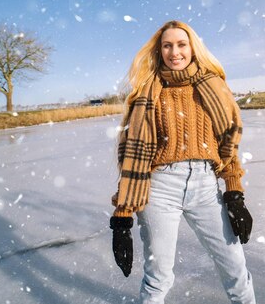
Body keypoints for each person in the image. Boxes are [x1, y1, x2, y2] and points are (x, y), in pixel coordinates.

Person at [110, 20, 256, 304]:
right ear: (159, 50)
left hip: (205, 186)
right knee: (157, 278)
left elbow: (228, 143)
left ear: (192, 48)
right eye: (167, 45)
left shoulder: (213, 87)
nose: (174, 52)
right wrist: (122, 218)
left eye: (181, 44)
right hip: (159, 189)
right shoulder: (147, 93)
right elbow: (131, 157)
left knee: (236, 269)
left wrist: (234, 193)